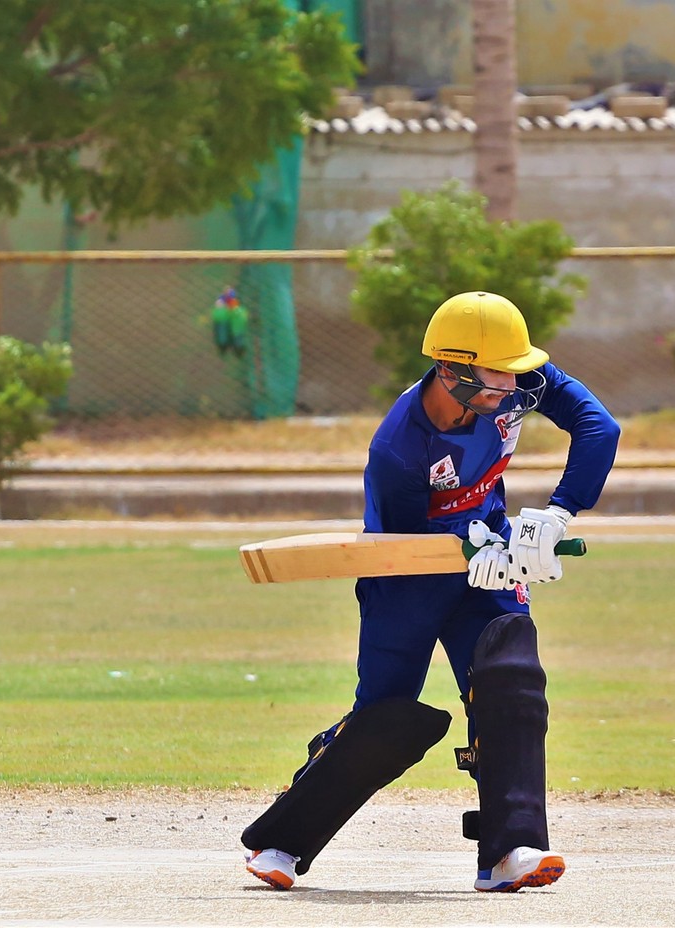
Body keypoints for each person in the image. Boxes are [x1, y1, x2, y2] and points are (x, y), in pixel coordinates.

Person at [239, 290, 620, 893]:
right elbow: (407, 545)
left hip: (488, 562)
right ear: (450, 369)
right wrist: (469, 551)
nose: (514, 386)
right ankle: (283, 838)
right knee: (385, 717)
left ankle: (510, 850)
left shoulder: (519, 381)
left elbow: (600, 426)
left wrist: (555, 516)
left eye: (517, 370)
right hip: (405, 578)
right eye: (497, 374)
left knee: (512, 684)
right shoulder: (398, 447)